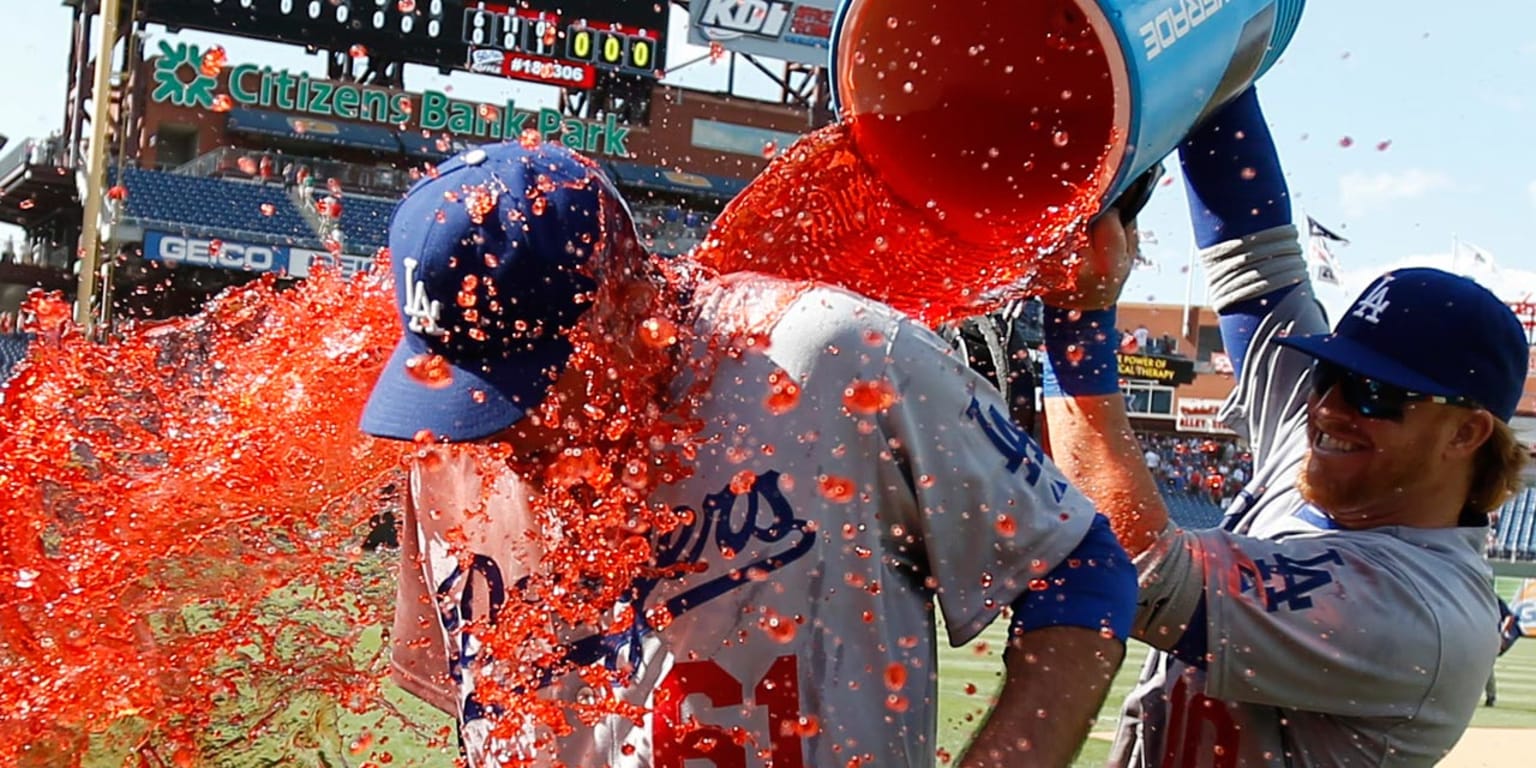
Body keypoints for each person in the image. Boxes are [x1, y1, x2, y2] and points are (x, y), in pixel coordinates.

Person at [359, 140, 1137, 767]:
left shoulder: (828, 359)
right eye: (465, 396)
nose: (494, 435)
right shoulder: (445, 450)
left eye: (529, 388)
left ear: (625, 305)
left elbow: (1077, 568)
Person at [1036, 88, 1529, 766]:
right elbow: (1251, 246)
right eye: (1330, 375)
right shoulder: (1345, 457)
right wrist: (1214, 51)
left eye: (1375, 393)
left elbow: (1142, 572)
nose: (1328, 408)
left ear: (1467, 435)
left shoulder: (1420, 614)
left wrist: (1076, 321)